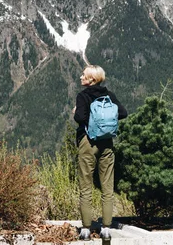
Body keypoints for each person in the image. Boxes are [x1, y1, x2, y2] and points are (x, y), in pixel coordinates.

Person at [73, 65, 128, 241]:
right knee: (107, 188)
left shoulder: (83, 96)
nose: (81, 77)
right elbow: (122, 113)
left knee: (86, 187)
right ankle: (106, 228)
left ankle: (86, 229)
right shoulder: (109, 95)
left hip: (88, 142)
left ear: (91, 80)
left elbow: (79, 118)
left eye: (84, 75)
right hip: (106, 143)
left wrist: (78, 111)